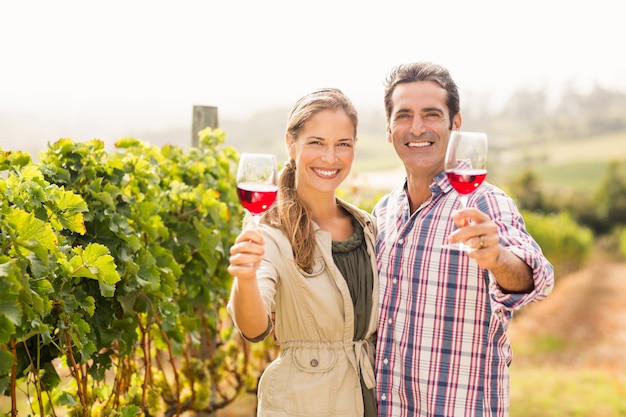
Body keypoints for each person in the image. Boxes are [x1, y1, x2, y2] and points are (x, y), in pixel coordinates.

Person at [373, 62, 555, 416]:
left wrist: (497, 259)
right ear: (388, 128)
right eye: (404, 115)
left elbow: (539, 279)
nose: (417, 128)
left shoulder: (487, 202)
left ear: (455, 125)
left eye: (431, 114)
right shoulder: (383, 212)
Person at [226, 88, 379, 417]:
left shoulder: (367, 227)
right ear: (290, 144)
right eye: (316, 142)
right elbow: (253, 328)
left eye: (343, 144)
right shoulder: (270, 234)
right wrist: (245, 277)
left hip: (367, 402)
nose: (330, 157)